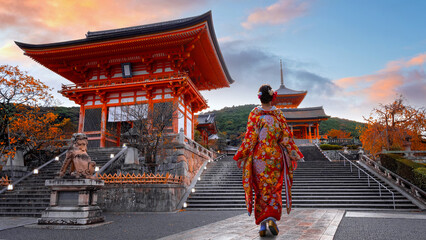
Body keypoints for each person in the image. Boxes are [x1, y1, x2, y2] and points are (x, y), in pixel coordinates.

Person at [233, 84, 304, 237]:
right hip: (275, 156)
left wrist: (241, 155)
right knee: (274, 188)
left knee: (260, 189)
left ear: (259, 97)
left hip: (259, 157)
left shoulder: (255, 113)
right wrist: (294, 155)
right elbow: (286, 137)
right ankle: (272, 219)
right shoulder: (278, 114)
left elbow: (250, 138)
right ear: (273, 97)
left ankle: (262, 226)